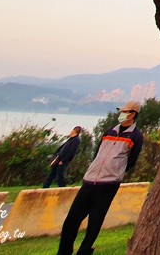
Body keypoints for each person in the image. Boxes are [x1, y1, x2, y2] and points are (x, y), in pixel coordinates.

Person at [57, 101, 143, 255]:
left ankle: (84, 251)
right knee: (71, 220)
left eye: (125, 111)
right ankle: (64, 251)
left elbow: (131, 161)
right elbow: (98, 153)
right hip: (90, 181)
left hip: (109, 184)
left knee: (95, 221)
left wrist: (115, 171)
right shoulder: (109, 131)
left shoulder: (136, 136)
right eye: (121, 111)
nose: (121, 114)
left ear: (132, 114)